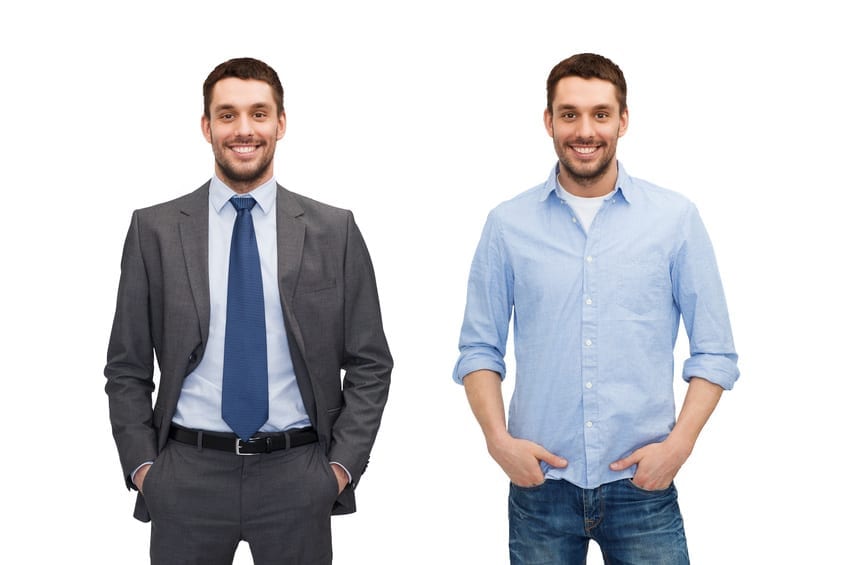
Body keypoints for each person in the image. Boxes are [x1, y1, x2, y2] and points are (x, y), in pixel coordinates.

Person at [104, 57, 392, 564]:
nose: (244, 130)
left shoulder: (334, 230)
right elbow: (126, 366)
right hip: (185, 476)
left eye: (259, 114)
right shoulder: (154, 230)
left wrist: (340, 468)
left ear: (280, 123)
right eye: (228, 114)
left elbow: (370, 363)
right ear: (206, 126)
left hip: (297, 475)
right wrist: (144, 468)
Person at [453, 53, 739, 564]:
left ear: (623, 120)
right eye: (569, 114)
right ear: (549, 121)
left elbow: (715, 352)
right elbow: (479, 348)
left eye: (600, 114)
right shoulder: (507, 224)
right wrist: (499, 442)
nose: (585, 130)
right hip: (540, 488)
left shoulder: (675, 220)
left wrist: (679, 447)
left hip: (642, 488)